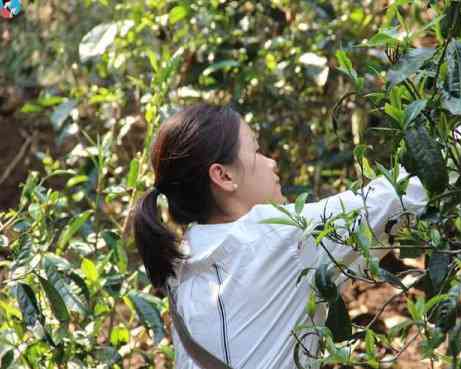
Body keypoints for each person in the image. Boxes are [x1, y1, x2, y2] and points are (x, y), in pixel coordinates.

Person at [132, 103, 428, 369]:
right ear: (224, 176)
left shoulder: (182, 262)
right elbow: (400, 195)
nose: (271, 163)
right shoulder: (276, 237)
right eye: (256, 151)